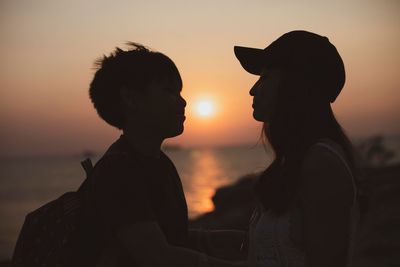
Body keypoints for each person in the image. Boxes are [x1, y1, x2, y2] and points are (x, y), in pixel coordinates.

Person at [80, 43, 247, 267]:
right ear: (131, 99)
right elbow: (157, 257)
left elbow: (168, 238)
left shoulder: (159, 164)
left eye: (179, 92)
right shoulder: (118, 170)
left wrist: (224, 240)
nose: (183, 101)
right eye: (169, 90)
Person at [234, 30, 360, 267]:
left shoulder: (322, 164)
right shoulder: (295, 161)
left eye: (266, 76)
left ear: (295, 86)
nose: (253, 89)